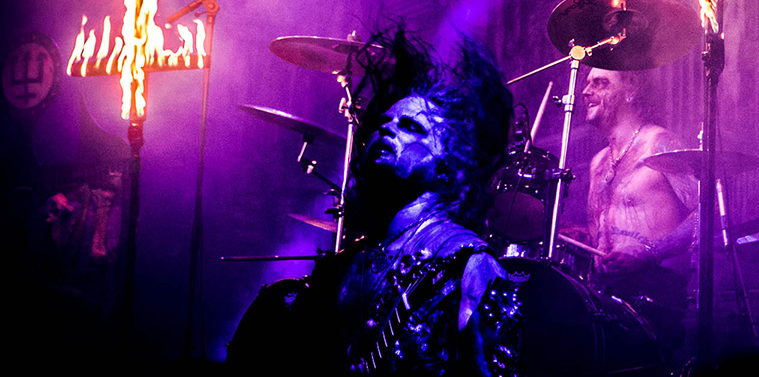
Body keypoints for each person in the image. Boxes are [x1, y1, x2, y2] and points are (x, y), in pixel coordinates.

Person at [229, 27, 519, 375]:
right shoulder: (340, 267)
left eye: (411, 126)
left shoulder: (467, 264)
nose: (387, 129)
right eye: (384, 122)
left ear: (448, 166)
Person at [581, 66, 698, 350]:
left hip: (656, 295)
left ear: (630, 89)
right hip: (606, 296)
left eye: (600, 83)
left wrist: (649, 254)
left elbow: (706, 213)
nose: (585, 92)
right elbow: (601, 235)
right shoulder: (598, 162)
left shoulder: (658, 143)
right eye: (587, 83)